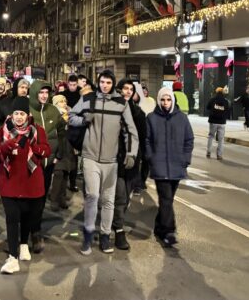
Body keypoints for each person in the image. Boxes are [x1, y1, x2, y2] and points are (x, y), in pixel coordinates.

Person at [68, 70, 138, 255]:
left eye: (108, 82)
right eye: (102, 82)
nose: (104, 85)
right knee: (92, 195)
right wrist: (84, 119)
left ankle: (106, 236)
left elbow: (130, 131)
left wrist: (131, 153)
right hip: (90, 157)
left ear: (112, 84)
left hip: (111, 161)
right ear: (98, 82)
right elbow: (71, 117)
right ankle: (88, 233)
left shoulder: (121, 103)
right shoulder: (89, 99)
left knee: (108, 200)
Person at [0, 97, 51, 274]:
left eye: (22, 114)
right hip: (9, 181)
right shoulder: (4, 130)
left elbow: (47, 149)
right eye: (16, 113)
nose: (18, 117)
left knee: (26, 216)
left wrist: (37, 149)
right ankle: (12, 257)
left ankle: (24, 245)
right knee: (12, 218)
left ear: (28, 115)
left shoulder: (37, 130)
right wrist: (5, 147)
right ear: (11, 114)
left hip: (31, 181)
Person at [145, 86, 194, 248]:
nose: (165, 103)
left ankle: (159, 226)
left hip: (177, 167)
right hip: (159, 167)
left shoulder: (182, 118)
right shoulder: (151, 118)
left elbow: (189, 140)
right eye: (162, 100)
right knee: (166, 199)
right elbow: (147, 140)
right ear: (158, 101)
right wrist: (150, 157)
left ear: (173, 100)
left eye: (168, 100)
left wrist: (185, 160)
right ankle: (169, 231)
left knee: (168, 200)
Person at [27, 80, 65, 253]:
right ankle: (25, 229)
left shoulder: (53, 110)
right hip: (30, 163)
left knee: (41, 197)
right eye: (40, 92)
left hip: (49, 163)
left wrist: (58, 154)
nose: (44, 95)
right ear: (34, 93)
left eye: (46, 93)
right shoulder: (27, 110)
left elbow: (63, 132)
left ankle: (36, 231)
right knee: (29, 197)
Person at [111, 79, 148, 251]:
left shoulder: (139, 113)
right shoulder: (111, 109)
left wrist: (141, 158)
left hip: (131, 162)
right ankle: (117, 230)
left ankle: (115, 222)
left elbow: (142, 138)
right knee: (117, 197)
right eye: (124, 89)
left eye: (130, 89)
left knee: (124, 197)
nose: (127, 92)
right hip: (112, 160)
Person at [48, 94, 74, 211]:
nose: (64, 103)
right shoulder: (53, 115)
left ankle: (62, 198)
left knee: (65, 174)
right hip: (58, 146)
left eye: (65, 100)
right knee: (58, 173)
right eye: (61, 101)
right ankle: (54, 200)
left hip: (68, 146)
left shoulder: (70, 114)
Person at [207, 87, 230, 161]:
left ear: (216, 92)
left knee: (211, 136)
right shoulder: (225, 101)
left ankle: (208, 152)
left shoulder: (212, 100)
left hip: (213, 121)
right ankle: (219, 155)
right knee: (221, 139)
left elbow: (207, 107)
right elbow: (227, 111)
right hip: (222, 122)